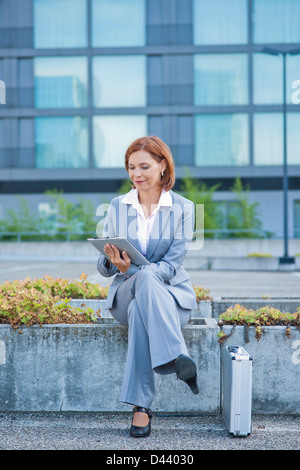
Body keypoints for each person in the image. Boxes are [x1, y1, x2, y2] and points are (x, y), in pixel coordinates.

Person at [97, 135, 198, 438]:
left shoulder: (184, 208)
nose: (136, 175)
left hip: (170, 300)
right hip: (125, 295)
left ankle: (141, 408)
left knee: (146, 292)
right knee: (142, 283)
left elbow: (171, 266)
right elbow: (103, 267)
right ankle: (177, 356)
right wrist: (113, 261)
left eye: (143, 167)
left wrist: (137, 270)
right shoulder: (118, 206)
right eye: (130, 168)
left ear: (163, 166)